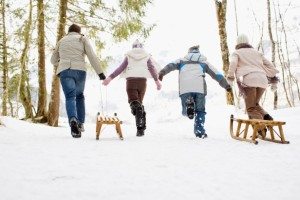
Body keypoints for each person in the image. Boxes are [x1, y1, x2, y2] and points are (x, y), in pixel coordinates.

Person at [158, 45, 231, 139]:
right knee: (200, 110)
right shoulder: (204, 62)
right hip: (199, 89)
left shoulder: (181, 60)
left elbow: (170, 65)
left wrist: (162, 72)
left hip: (185, 89)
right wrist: (226, 85)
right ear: (198, 52)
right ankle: (199, 131)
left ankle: (189, 106)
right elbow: (216, 74)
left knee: (186, 112)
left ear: (189, 52)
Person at [51, 24, 106, 138]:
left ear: (68, 32)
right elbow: (92, 56)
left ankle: (72, 121)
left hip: (65, 71)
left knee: (70, 97)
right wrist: (100, 73)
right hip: (80, 71)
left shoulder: (61, 40)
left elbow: (53, 60)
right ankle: (80, 123)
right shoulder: (82, 39)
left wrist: (61, 63)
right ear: (79, 32)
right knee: (79, 96)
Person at [102, 39, 161, 137]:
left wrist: (109, 78)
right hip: (142, 82)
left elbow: (120, 68)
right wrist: (157, 82)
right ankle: (140, 129)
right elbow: (152, 69)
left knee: (134, 103)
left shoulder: (129, 55)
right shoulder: (146, 55)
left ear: (132, 47)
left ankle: (140, 124)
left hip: (131, 82)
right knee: (139, 105)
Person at [227, 34, 279, 121]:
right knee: (255, 104)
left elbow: (233, 64)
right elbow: (271, 67)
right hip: (263, 80)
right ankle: (266, 117)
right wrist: (274, 81)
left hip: (250, 81)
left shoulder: (236, 53)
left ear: (237, 43)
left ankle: (260, 130)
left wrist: (230, 78)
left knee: (250, 108)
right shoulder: (257, 53)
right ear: (247, 42)